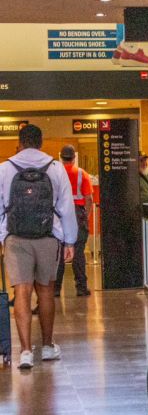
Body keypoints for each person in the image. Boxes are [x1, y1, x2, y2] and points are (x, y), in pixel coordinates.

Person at [0, 125, 77, 370]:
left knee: (21, 292)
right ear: (41, 142)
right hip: (48, 236)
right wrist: (70, 241)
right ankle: (46, 346)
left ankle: (24, 351)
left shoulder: (5, 168)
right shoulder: (55, 168)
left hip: (16, 237)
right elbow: (66, 207)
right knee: (46, 291)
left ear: (20, 143)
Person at [55, 145, 93, 297]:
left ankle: (56, 289)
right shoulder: (81, 174)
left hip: (59, 214)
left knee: (58, 253)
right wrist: (86, 215)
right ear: (74, 157)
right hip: (77, 213)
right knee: (78, 252)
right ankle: (81, 288)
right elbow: (88, 198)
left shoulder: (55, 173)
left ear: (61, 157)